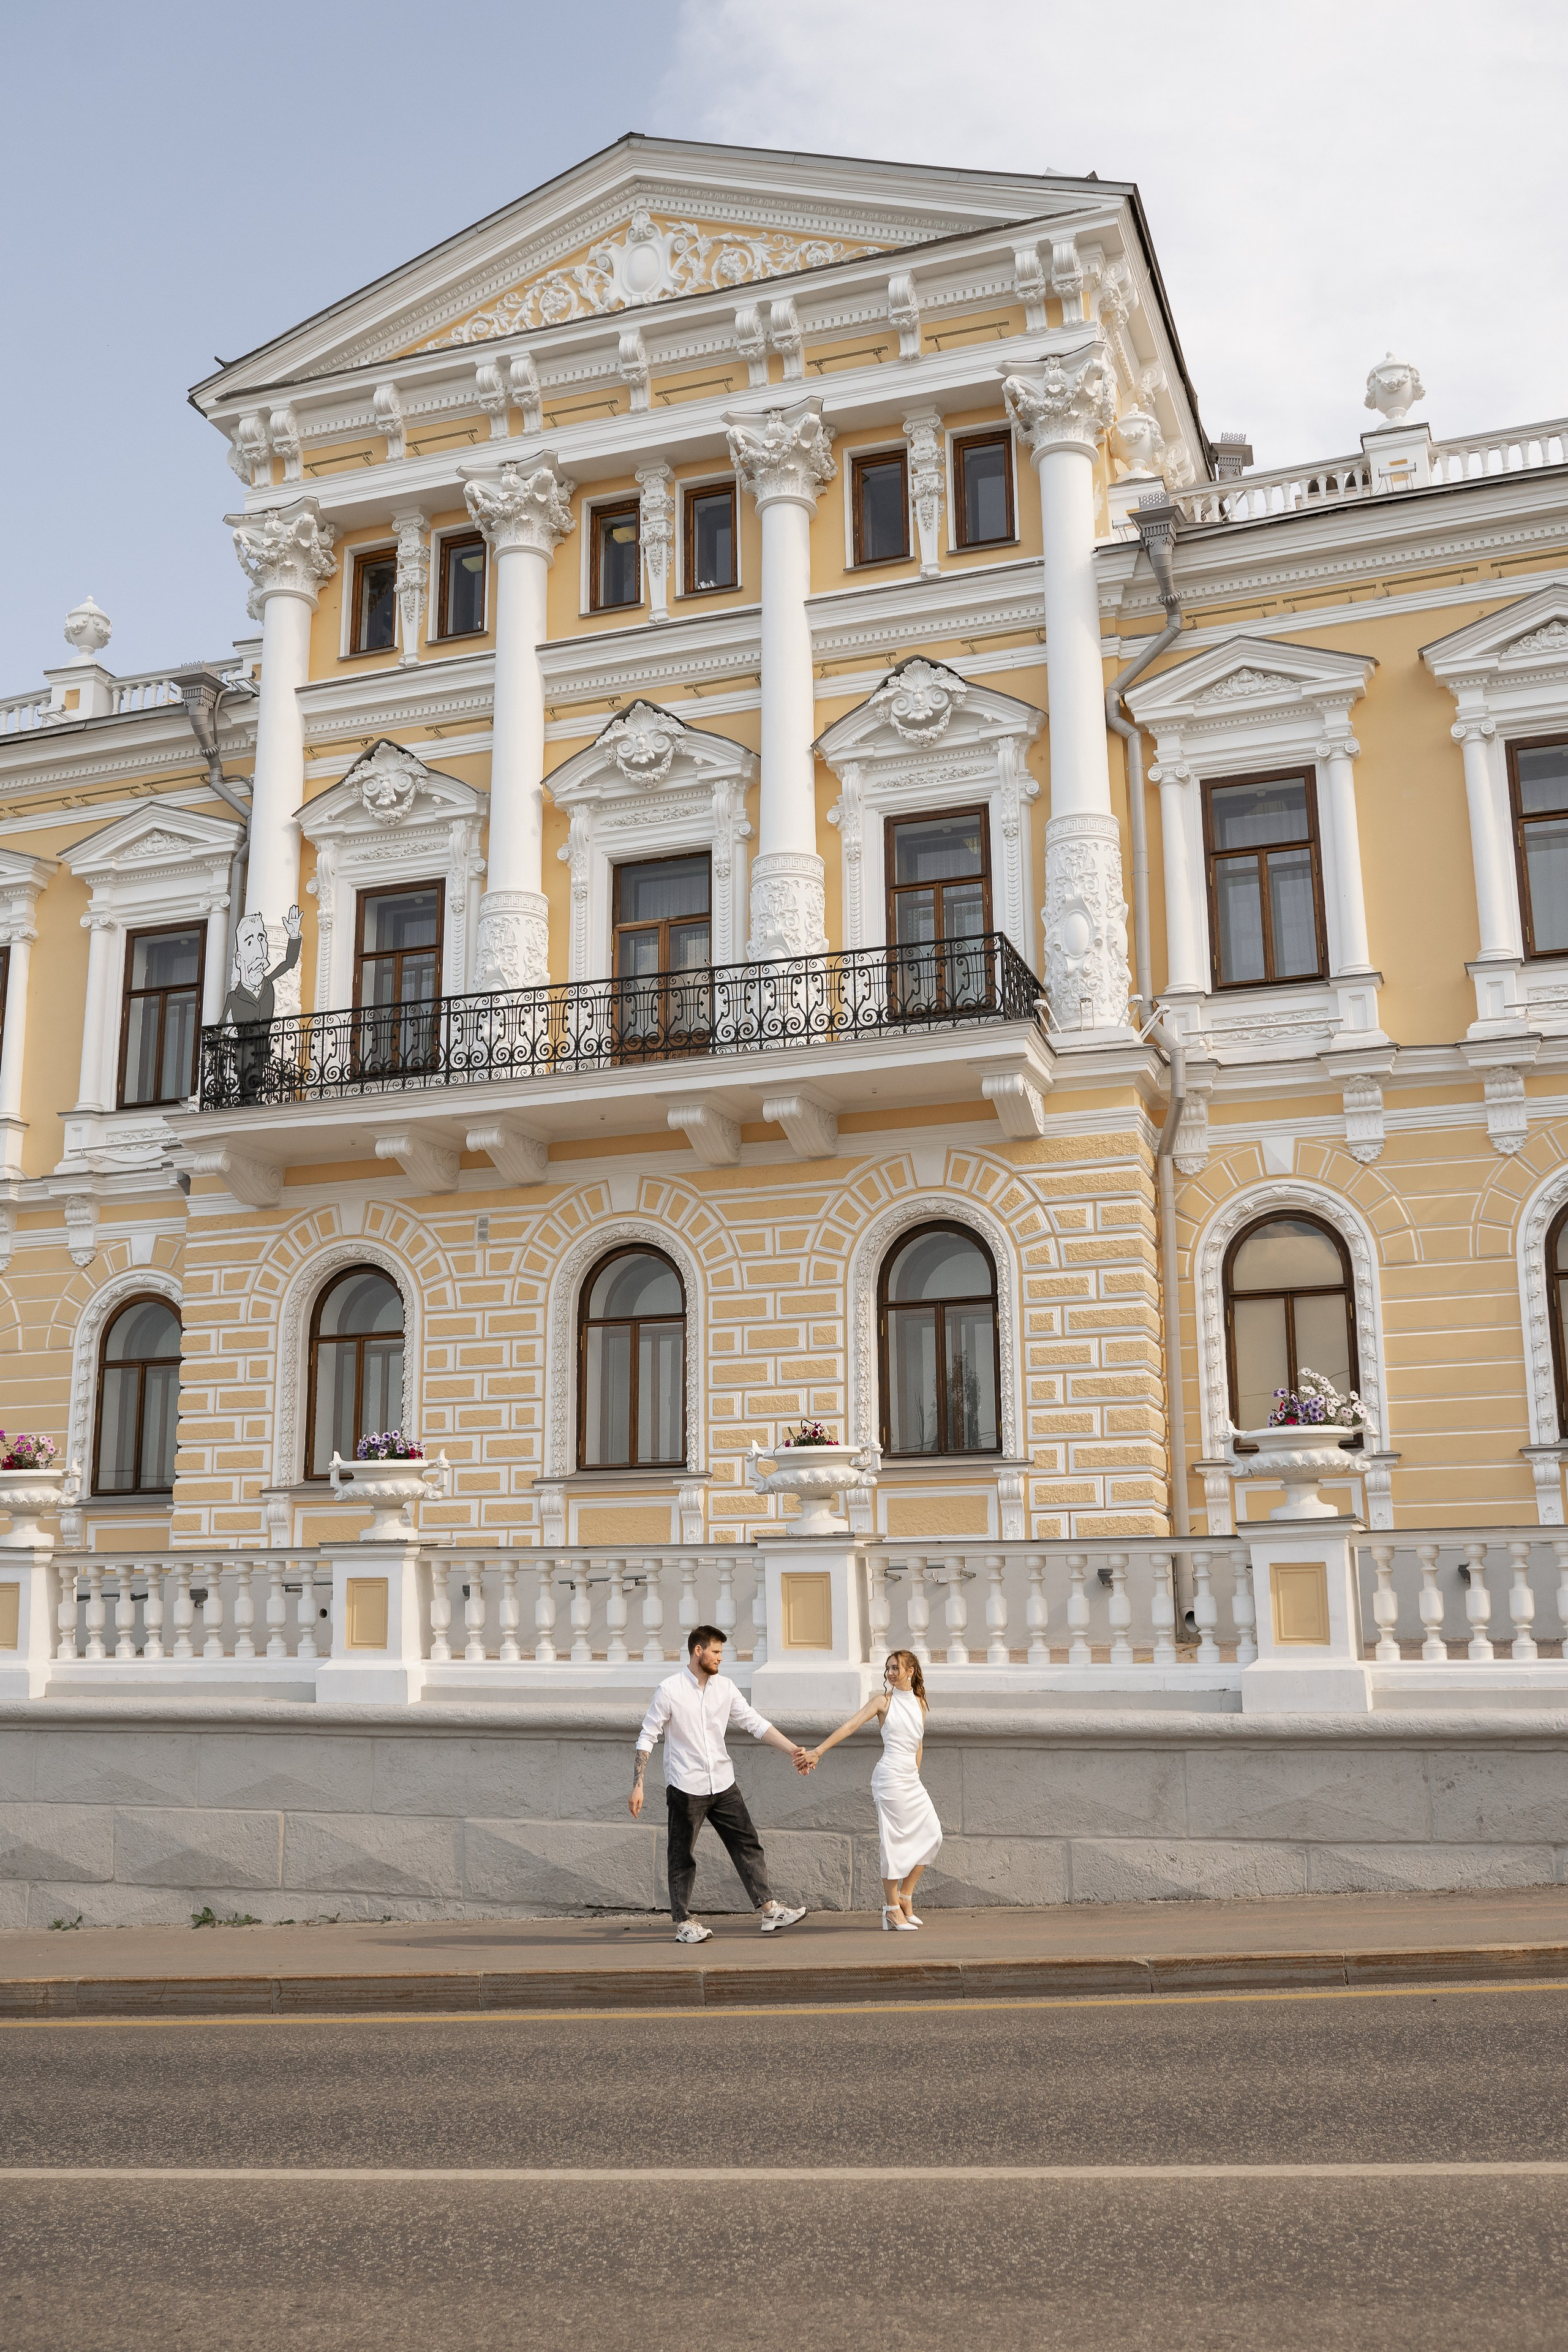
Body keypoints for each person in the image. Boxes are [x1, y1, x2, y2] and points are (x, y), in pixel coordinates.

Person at [631, 1624, 810, 1945]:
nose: (720, 1659)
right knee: (681, 1855)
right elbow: (648, 1735)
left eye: (721, 1653)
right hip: (686, 1786)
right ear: (698, 1651)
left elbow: (754, 1723)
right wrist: (639, 1784)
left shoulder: (725, 1687)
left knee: (747, 1844)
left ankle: (770, 1911)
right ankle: (684, 1923)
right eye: (716, 1652)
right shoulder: (670, 1690)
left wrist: (793, 1750)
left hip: (723, 1784)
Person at [800, 1650, 941, 1930]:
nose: (889, 1673)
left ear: (911, 1671)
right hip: (889, 1778)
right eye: (887, 1668)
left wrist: (916, 1776)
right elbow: (851, 1726)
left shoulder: (920, 1703)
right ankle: (891, 1909)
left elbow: (919, 1745)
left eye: (895, 1668)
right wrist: (819, 1751)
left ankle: (905, 1896)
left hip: (910, 1780)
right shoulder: (882, 1702)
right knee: (893, 1843)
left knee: (933, 1835)